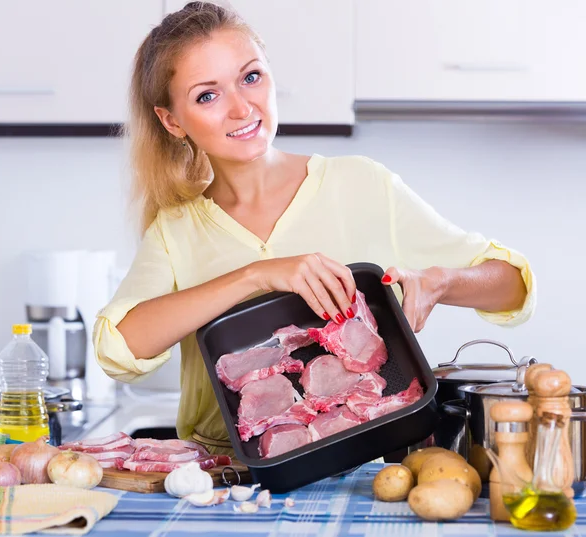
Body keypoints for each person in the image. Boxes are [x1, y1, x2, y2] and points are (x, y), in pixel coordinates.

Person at [93, 2, 535, 455]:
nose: (243, 107)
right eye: (208, 95)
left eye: (251, 77)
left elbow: (513, 285)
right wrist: (255, 275)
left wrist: (441, 281)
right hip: (229, 477)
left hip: (371, 465)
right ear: (172, 121)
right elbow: (117, 348)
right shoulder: (176, 228)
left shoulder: (360, 183)